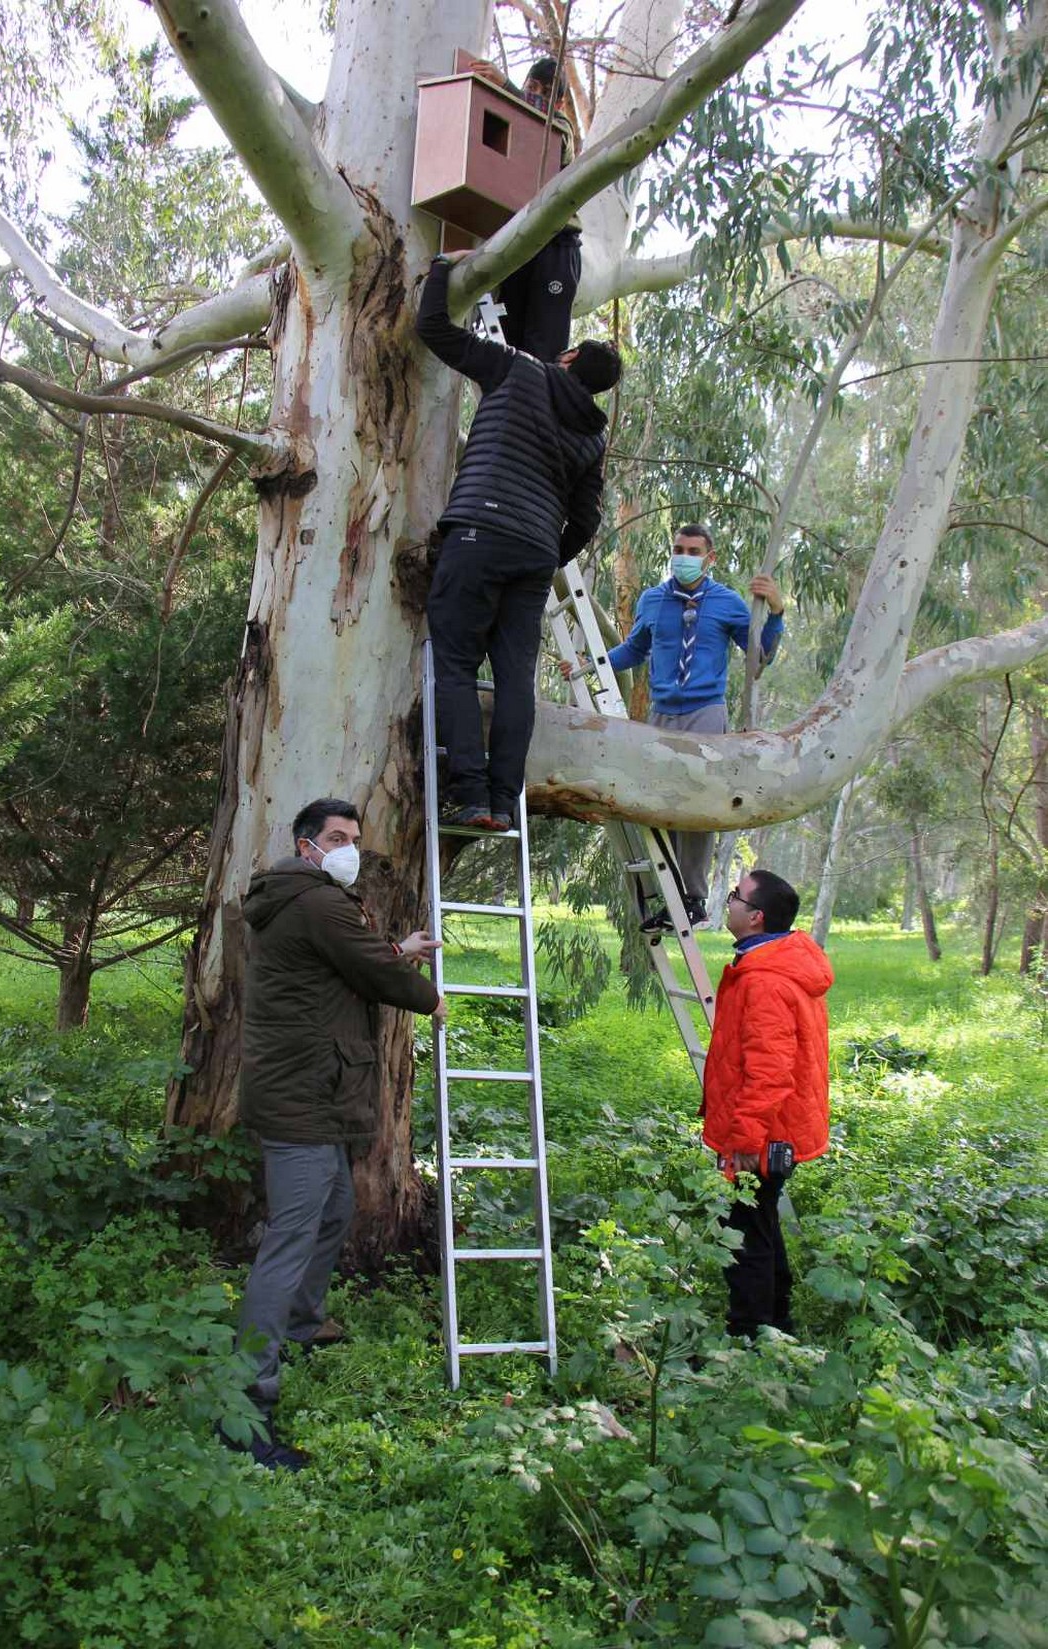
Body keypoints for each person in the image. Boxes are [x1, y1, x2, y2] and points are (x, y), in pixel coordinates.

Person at [230, 798, 445, 1470]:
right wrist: (427, 992)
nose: (348, 847)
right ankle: (245, 1407)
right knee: (292, 1235)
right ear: (306, 846)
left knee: (335, 1207)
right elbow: (373, 974)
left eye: (354, 837)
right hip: (301, 1093)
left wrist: (391, 949)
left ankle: (298, 1323)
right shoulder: (318, 900)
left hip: (308, 1087)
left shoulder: (304, 900)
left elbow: (341, 961)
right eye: (336, 837)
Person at [417, 251, 621, 831]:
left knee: (454, 662)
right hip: (532, 556)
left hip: (479, 531)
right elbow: (586, 520)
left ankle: (472, 794)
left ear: (571, 356)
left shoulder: (519, 370)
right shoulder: (592, 440)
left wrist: (440, 271)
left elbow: (433, 329)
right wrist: (542, 556)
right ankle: (505, 801)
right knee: (514, 678)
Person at [588, 523, 784, 925]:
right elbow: (634, 650)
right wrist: (591, 664)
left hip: (706, 713)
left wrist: (776, 612)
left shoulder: (728, 602)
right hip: (662, 713)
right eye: (679, 548)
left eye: (694, 551)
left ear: (709, 558)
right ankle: (665, 895)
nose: (685, 556)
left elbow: (759, 657)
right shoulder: (654, 600)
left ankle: (693, 897)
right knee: (657, 801)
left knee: (699, 802)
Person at [701, 868, 833, 1339]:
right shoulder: (770, 963)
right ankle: (778, 1325)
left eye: (736, 896)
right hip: (776, 1129)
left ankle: (750, 1336)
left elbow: (769, 1072)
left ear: (755, 917)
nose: (730, 902)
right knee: (761, 1226)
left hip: (765, 1133)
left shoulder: (767, 981)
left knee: (745, 1238)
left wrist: (743, 1140)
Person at [467, 54, 581, 360]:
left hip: (556, 243)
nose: (536, 95)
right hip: (517, 242)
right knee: (506, 339)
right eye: (533, 87)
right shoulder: (507, 125)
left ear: (557, 104)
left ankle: (539, 403)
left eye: (546, 93)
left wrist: (507, 86)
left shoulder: (561, 127)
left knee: (543, 348)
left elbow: (545, 127)